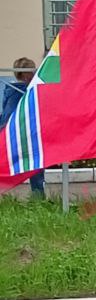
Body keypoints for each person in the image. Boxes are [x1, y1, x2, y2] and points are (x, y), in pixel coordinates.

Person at [2, 57, 46, 200]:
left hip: (10, 134)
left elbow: (6, 114)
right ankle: (38, 196)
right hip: (28, 132)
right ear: (28, 74)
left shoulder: (9, 90)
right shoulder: (29, 90)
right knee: (35, 164)